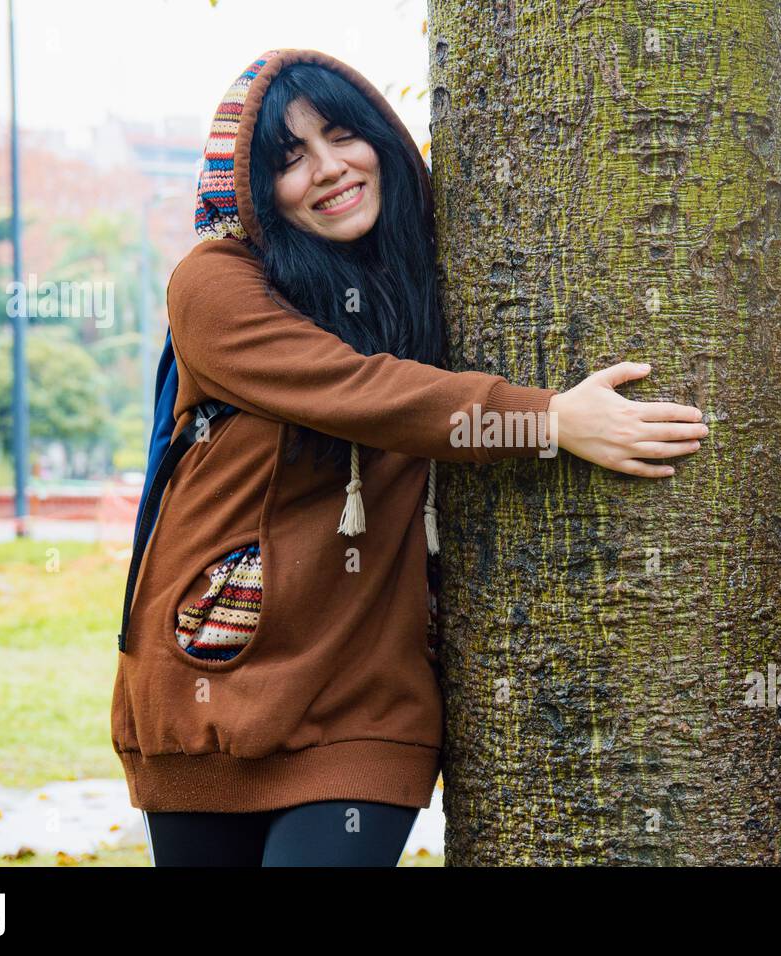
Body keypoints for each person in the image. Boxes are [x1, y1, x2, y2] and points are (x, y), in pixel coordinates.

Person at [111, 48, 709, 867]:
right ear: (250, 191)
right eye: (290, 160)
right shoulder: (214, 285)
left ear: (381, 140)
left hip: (368, 697)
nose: (328, 169)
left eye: (342, 135)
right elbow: (360, 389)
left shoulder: (432, 274)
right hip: (214, 680)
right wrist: (549, 420)